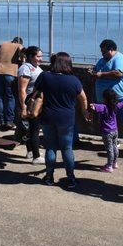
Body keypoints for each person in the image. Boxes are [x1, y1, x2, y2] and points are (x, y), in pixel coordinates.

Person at [34, 52, 88, 188]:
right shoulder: (73, 80)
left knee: (50, 147)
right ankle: (70, 178)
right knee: (67, 148)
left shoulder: (45, 76)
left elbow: (35, 92)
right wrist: (85, 112)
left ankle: (49, 176)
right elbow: (83, 98)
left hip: (48, 116)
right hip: (66, 118)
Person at [88, 39, 123, 155]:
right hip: (105, 100)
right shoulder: (102, 60)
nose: (102, 54)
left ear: (111, 50)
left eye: (104, 51)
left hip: (122, 97)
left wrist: (101, 74)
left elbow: (118, 74)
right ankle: (113, 143)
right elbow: (97, 71)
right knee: (109, 122)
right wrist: (92, 71)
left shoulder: (120, 59)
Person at [89, 89, 123, 173]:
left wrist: (92, 106)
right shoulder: (117, 105)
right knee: (115, 147)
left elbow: (96, 107)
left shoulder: (104, 107)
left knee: (109, 149)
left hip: (107, 132)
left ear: (105, 98)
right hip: (115, 130)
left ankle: (109, 166)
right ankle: (115, 163)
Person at [17, 46, 44, 164]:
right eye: (38, 56)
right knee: (34, 130)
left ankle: (30, 151)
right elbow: (22, 90)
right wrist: (23, 107)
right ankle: (36, 156)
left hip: (35, 102)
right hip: (30, 103)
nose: (41, 59)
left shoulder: (35, 67)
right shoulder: (25, 69)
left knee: (31, 129)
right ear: (30, 57)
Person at [0, 36, 24, 129]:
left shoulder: (3, 44)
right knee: (11, 97)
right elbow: (23, 58)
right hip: (10, 74)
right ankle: (9, 121)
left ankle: (1, 121)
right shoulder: (19, 46)